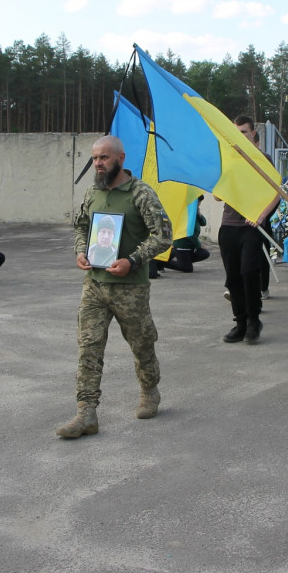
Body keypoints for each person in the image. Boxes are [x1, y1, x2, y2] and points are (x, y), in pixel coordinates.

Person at [57, 135, 172, 439]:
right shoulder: (93, 192)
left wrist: (132, 261)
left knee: (142, 344)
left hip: (130, 288)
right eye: (95, 158)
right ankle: (86, 413)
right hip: (94, 285)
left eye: (104, 158)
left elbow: (163, 236)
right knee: (88, 348)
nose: (98, 164)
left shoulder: (140, 194)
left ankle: (149, 390)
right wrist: (81, 251)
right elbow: (81, 226)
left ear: (121, 158)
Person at [218, 115, 279, 345]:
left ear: (253, 134)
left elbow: (276, 191)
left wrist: (262, 216)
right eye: (235, 132)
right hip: (229, 225)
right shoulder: (229, 159)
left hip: (251, 226)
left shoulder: (262, 159)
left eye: (243, 132)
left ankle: (254, 320)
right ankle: (240, 322)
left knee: (248, 272)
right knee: (232, 277)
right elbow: (216, 194)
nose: (239, 136)